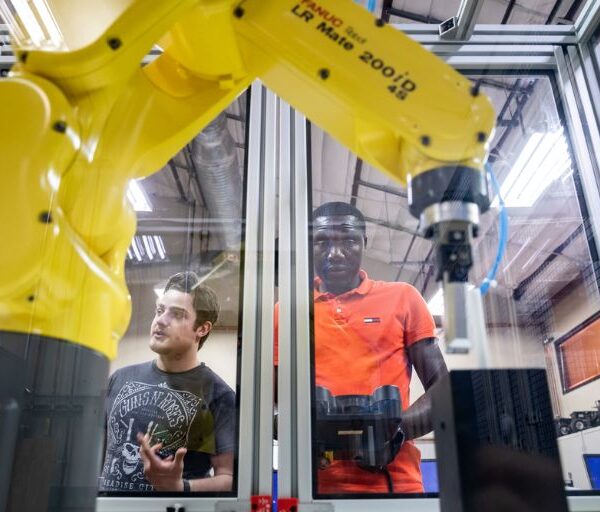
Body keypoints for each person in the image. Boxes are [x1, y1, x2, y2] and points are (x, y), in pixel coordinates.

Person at [275, 201, 448, 494]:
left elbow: (444, 391)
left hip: (396, 486)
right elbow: (269, 402)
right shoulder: (287, 311)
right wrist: (302, 432)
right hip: (311, 489)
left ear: (364, 243)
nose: (336, 253)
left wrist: (395, 430)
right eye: (322, 242)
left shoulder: (402, 298)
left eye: (349, 241)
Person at [99, 271, 235, 493]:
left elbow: (228, 477)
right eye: (160, 310)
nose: (161, 320)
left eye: (177, 314)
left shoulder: (218, 395)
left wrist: (180, 486)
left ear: (202, 328)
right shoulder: (120, 378)